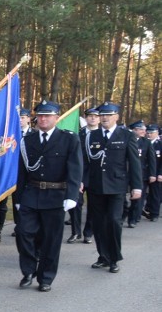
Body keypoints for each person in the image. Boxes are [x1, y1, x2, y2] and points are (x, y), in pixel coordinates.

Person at [15, 101, 82, 291]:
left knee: (51, 240)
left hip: (55, 195)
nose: (43, 119)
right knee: (23, 233)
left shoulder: (69, 139)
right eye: (40, 116)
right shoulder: (28, 140)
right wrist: (19, 198)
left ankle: (45, 278)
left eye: (48, 115)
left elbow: (75, 169)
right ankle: (28, 271)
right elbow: (22, 172)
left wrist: (71, 195)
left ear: (56, 117)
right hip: (31, 194)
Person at [82, 102, 141, 273]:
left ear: (117, 116)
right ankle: (103, 256)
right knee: (98, 223)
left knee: (114, 221)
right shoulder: (91, 136)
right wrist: (82, 181)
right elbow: (86, 162)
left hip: (117, 186)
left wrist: (136, 186)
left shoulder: (126, 135)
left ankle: (114, 257)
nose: (105, 118)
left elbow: (134, 163)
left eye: (108, 115)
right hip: (95, 186)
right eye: (102, 115)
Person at [0, 107, 32, 242]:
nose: (20, 120)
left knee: (19, 202)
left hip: (23, 174)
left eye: (23, 117)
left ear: (28, 119)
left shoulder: (32, 134)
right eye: (18, 117)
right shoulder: (8, 134)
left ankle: (19, 226)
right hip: (7, 172)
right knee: (1, 203)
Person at [68, 107, 99, 243]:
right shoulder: (78, 135)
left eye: (95, 116)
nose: (92, 118)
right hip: (79, 174)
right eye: (90, 116)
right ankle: (76, 232)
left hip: (95, 176)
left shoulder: (102, 136)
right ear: (85, 118)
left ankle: (88, 232)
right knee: (75, 202)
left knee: (93, 205)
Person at [124, 121, 156, 228]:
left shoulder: (146, 142)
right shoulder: (125, 139)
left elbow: (151, 159)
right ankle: (122, 216)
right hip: (124, 173)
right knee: (121, 197)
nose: (144, 132)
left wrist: (152, 174)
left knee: (137, 198)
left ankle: (133, 219)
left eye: (144, 129)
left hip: (139, 174)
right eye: (141, 129)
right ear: (134, 130)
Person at [144, 124, 162, 221]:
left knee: (155, 194)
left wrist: (160, 173)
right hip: (144, 172)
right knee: (141, 193)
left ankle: (154, 213)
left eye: (152, 133)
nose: (149, 134)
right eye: (148, 132)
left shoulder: (160, 144)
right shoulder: (144, 143)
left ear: (157, 133)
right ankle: (140, 211)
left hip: (156, 173)